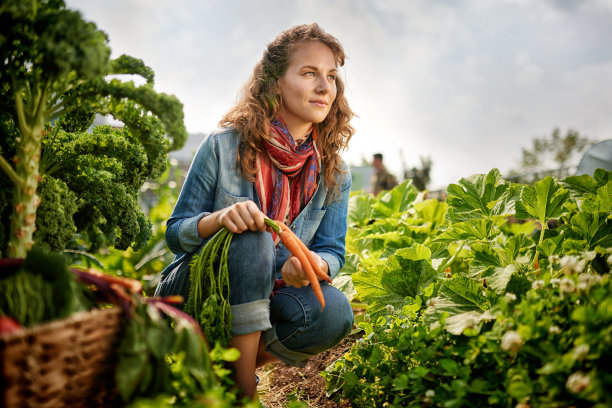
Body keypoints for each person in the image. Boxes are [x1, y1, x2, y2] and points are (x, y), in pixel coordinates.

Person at [154, 23, 355, 401]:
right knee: (253, 237)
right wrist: (219, 220)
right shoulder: (222, 146)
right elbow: (175, 233)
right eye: (309, 73)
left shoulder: (335, 172)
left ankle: (227, 367)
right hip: (198, 292)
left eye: (331, 76)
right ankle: (242, 393)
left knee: (334, 313)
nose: (325, 87)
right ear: (276, 82)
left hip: (270, 295)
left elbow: (333, 250)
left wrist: (315, 264)